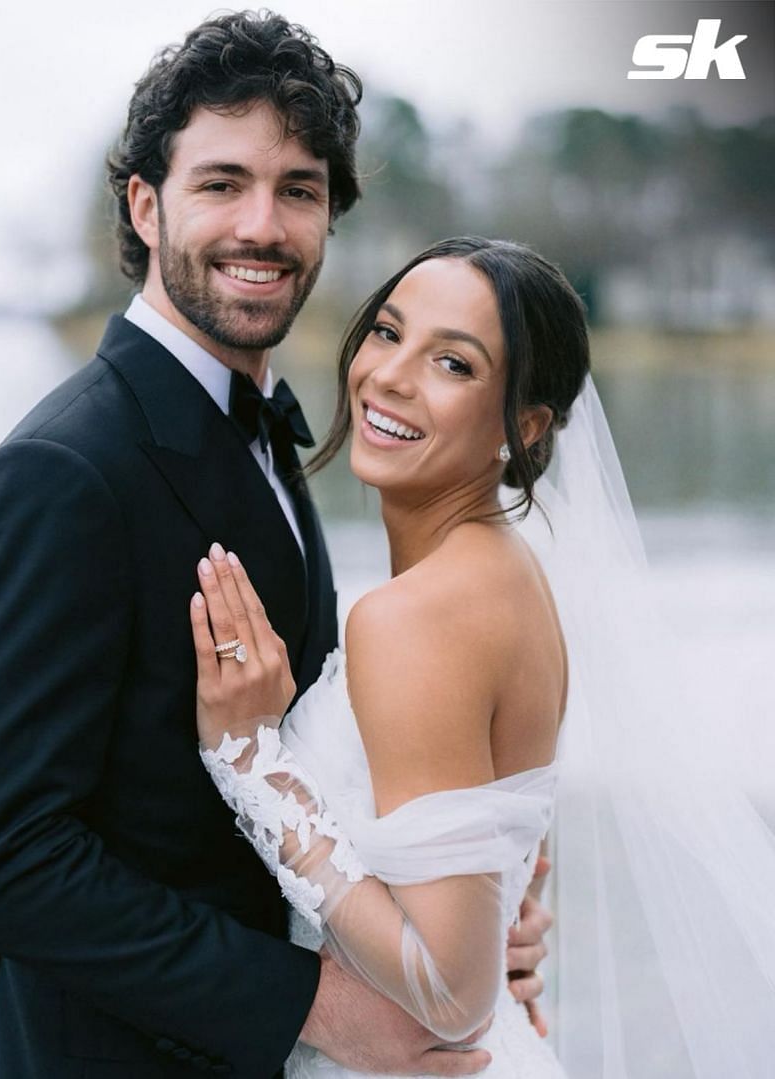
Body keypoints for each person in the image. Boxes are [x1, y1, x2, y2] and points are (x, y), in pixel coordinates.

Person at [0, 13, 547, 1076]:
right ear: (144, 203)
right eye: (222, 183)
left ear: (328, 221)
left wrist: (447, 930)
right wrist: (326, 1005)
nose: (262, 224)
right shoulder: (61, 475)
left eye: (299, 190)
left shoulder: (260, 429)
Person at [189, 237, 580, 1076]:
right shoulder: (510, 576)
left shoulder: (418, 615)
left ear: (528, 426)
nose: (391, 376)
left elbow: (451, 992)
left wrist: (250, 762)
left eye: (452, 362)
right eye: (388, 331)